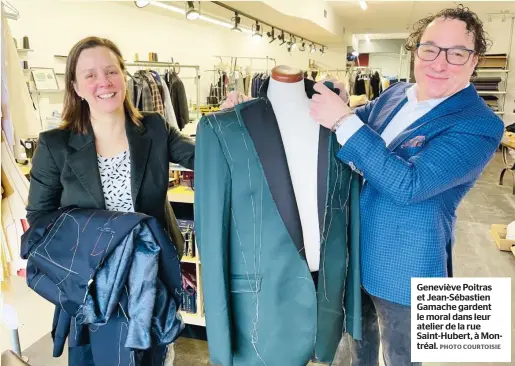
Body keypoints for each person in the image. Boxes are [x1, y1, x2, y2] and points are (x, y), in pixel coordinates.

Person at [222, 5, 505, 365]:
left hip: (408, 270)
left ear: (474, 60)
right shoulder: (396, 94)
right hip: (353, 254)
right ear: (415, 50)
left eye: (457, 53)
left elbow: (409, 184)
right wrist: (256, 112)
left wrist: (343, 119)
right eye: (430, 48)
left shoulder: (479, 124)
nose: (439, 63)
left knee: (404, 358)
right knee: (356, 351)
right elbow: (335, 129)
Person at [25, 36, 195, 364]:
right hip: (91, 282)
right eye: (90, 75)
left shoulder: (155, 129)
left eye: (111, 71)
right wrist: (102, 235)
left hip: (151, 274)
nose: (103, 82)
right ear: (75, 86)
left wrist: (230, 125)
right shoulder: (55, 145)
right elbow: (39, 218)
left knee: (152, 354)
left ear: (123, 75)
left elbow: (206, 159)